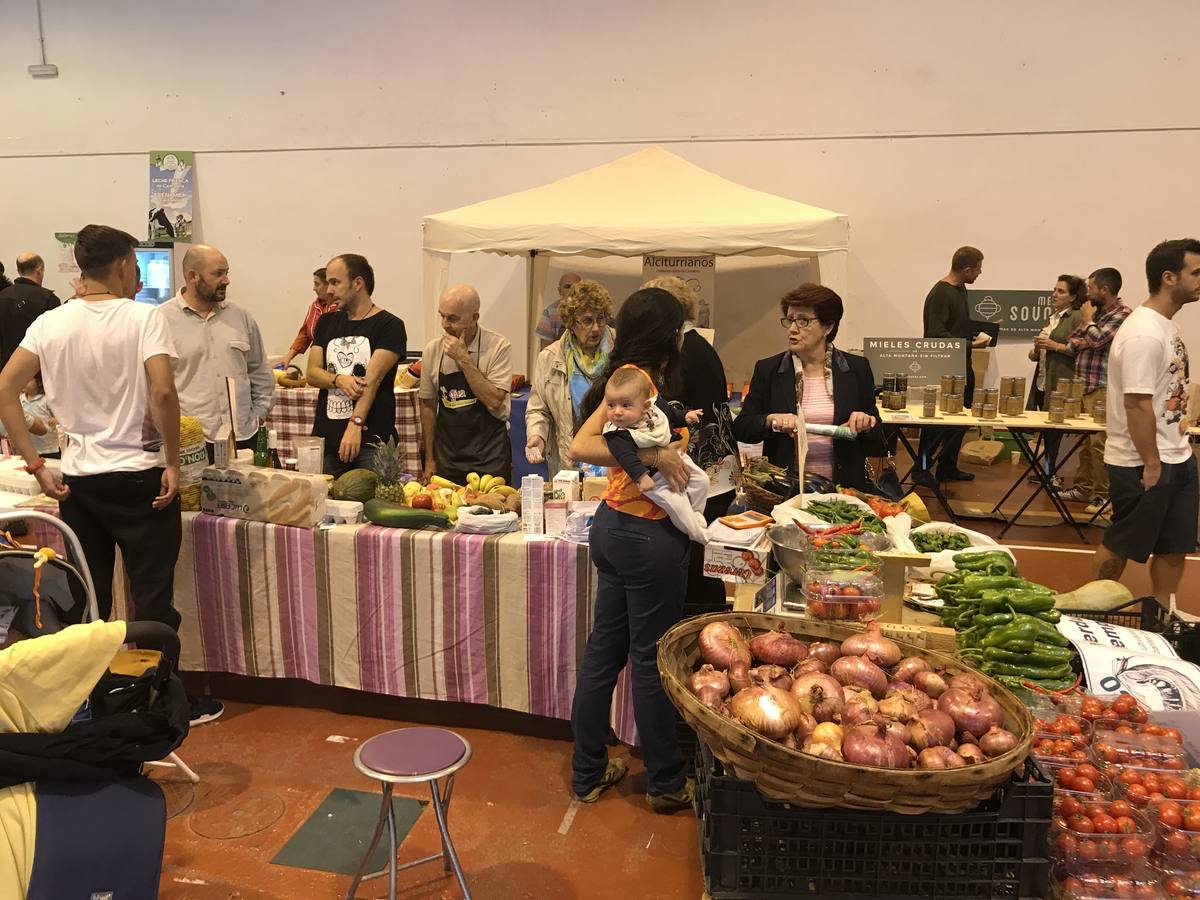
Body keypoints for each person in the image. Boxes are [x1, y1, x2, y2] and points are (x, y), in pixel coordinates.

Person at [0, 224, 222, 725]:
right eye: (136, 264)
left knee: (91, 602)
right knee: (151, 601)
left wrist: (36, 465)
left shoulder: (51, 323)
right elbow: (163, 392)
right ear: (122, 265)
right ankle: (158, 704)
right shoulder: (144, 318)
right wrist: (171, 459)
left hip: (77, 482)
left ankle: (96, 705)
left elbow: (5, 388)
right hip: (138, 477)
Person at [567, 287, 695, 814]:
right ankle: (666, 782)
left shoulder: (634, 376)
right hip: (644, 533)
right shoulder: (637, 378)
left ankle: (588, 772)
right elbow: (581, 445)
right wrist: (656, 452)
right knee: (648, 660)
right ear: (668, 331)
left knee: (604, 652)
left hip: (613, 528)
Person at [1091, 239, 1200, 603]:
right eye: (1195, 273)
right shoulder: (1143, 333)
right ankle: (1093, 610)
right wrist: (1151, 461)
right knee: (1121, 541)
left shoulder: (1166, 327)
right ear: (1169, 278)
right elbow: (1137, 404)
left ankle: (1162, 617)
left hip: (1177, 455)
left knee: (1174, 545)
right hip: (1141, 460)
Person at [732, 283, 880, 489]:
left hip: (843, 489)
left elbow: (877, 433)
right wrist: (769, 420)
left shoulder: (856, 368)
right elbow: (742, 428)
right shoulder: (770, 369)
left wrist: (865, 422)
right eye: (790, 320)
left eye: (803, 321)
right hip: (785, 489)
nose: (793, 329)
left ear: (828, 326)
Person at [157, 245, 276, 462]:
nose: (226, 280)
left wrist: (258, 414)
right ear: (193, 276)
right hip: (193, 444)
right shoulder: (160, 319)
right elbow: (155, 386)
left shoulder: (240, 316)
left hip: (242, 438)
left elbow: (259, 371)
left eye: (226, 272)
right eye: (218, 274)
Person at [306, 254, 407, 476]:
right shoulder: (326, 322)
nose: (328, 289)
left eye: (335, 282)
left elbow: (372, 380)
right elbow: (312, 373)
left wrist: (355, 424)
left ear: (358, 283)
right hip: (328, 442)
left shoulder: (390, 325)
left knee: (374, 507)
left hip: (371, 444)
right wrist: (338, 379)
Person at [600, 366, 708, 542]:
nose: (617, 412)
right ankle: (699, 535)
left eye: (625, 405)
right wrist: (641, 477)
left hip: (677, 458)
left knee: (702, 481)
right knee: (678, 506)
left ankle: (696, 514)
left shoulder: (652, 411)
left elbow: (669, 414)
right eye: (611, 405)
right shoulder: (617, 433)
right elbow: (626, 457)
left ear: (645, 406)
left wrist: (685, 416)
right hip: (654, 478)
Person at [420, 284, 512, 485]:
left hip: (490, 456)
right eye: (442, 316)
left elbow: (494, 401)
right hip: (447, 456)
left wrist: (463, 359)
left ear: (474, 318)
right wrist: (429, 459)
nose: (444, 324)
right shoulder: (432, 350)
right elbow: (427, 406)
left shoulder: (498, 346)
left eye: (453, 318)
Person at [916, 246, 992, 483]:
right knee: (938, 423)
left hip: (961, 365)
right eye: (978, 268)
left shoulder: (961, 290)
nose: (980, 273)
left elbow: (956, 327)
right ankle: (922, 470)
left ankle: (947, 467)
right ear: (967, 268)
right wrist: (972, 345)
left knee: (959, 421)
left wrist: (981, 332)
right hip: (943, 370)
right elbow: (936, 335)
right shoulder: (941, 293)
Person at [1059, 267, 1132, 513]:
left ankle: (1103, 497)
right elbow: (1072, 341)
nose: (1087, 293)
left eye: (1091, 287)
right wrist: (1088, 335)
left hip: (1102, 386)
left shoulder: (1122, 314)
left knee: (1101, 443)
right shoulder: (1098, 314)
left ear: (1105, 289)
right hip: (1083, 385)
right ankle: (1084, 487)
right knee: (1085, 442)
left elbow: (1098, 340)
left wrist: (1089, 325)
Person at [525, 279, 614, 475]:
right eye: (588, 321)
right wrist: (537, 436)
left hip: (614, 460)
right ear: (571, 323)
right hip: (569, 463)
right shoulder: (549, 357)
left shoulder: (620, 349)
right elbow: (538, 410)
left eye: (601, 319)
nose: (597, 328)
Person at [1027, 275, 1086, 481]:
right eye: (1054, 289)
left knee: (1057, 429)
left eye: (1061, 291)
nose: (1054, 294)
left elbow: (1082, 350)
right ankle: (1046, 471)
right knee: (1047, 428)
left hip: (1062, 380)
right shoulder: (1054, 317)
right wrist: (1036, 351)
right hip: (1044, 378)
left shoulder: (1077, 317)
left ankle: (1053, 474)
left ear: (1073, 297)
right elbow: (1042, 351)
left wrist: (1054, 346)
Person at [0, 252, 61, 371]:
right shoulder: (48, 299)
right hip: (37, 371)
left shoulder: (2, 296)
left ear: (19, 270)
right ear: (39, 270)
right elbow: (54, 342)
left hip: (5, 371)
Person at [281, 268, 340, 368]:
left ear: (328, 285)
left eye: (317, 284)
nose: (314, 288)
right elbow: (304, 334)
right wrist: (287, 358)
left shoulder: (341, 308)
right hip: (317, 361)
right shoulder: (314, 307)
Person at [535, 271, 582, 349]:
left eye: (576, 287)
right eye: (567, 287)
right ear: (559, 290)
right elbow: (546, 349)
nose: (572, 291)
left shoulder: (590, 311)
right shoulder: (550, 312)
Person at [20, 373, 58, 459]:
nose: (23, 382)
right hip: (29, 448)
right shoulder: (20, 399)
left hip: (49, 448)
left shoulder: (46, 399)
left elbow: (59, 415)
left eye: (28, 380)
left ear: (39, 382)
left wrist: (56, 419)